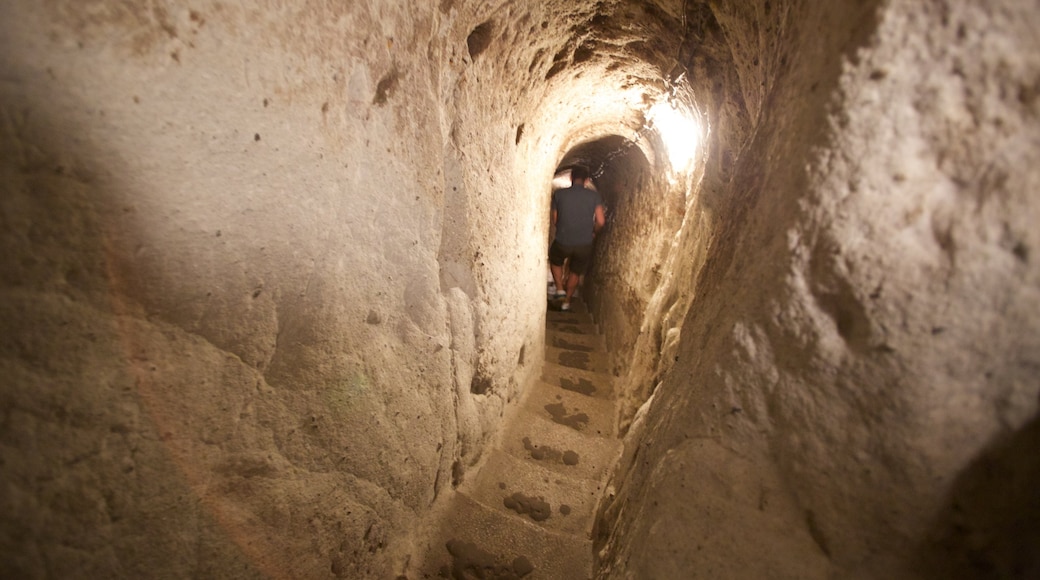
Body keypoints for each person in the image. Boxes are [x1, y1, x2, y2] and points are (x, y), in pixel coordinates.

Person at [549, 166, 605, 311]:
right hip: (584, 243)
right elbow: (600, 221)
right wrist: (593, 232)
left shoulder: (559, 194)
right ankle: (566, 301)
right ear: (586, 181)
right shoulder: (594, 196)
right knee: (575, 271)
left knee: (555, 260)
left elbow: (555, 219)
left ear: (570, 178)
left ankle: (560, 289)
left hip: (563, 240)